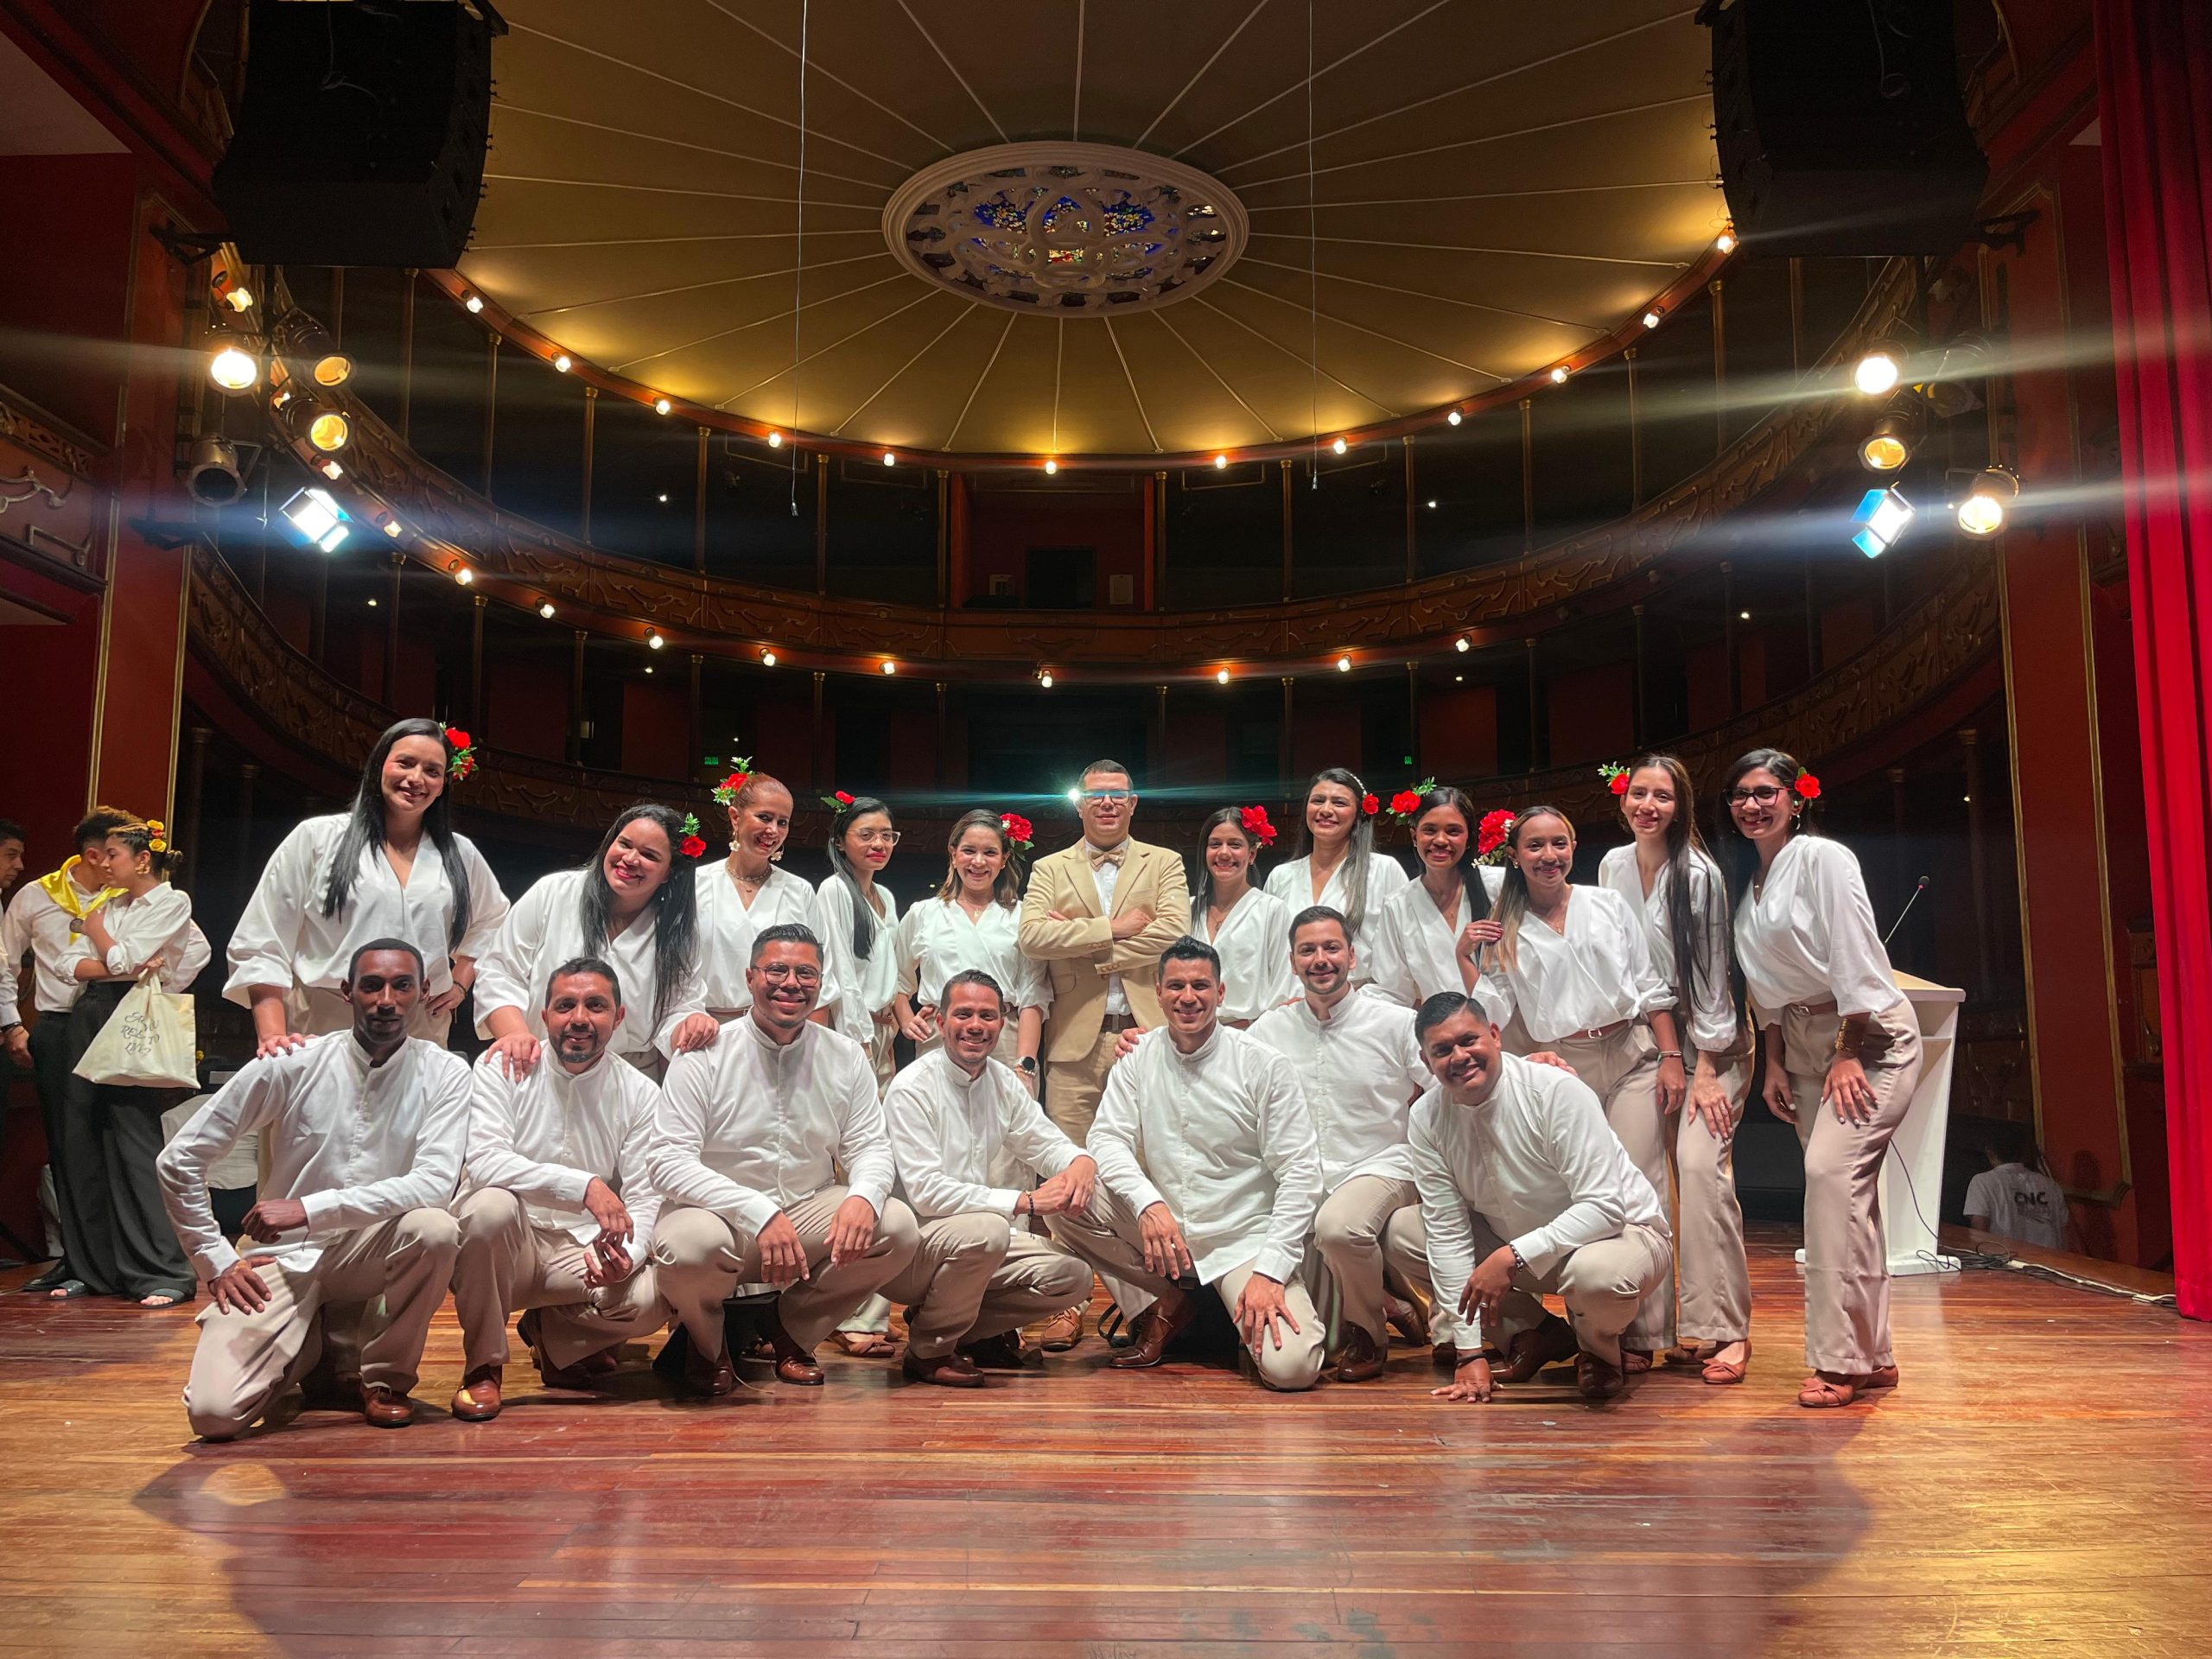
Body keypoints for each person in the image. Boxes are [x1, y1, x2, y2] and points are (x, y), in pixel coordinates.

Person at [156, 941, 468, 1437]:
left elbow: (432, 1184)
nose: (386, 999)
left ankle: (384, 1379)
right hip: (280, 1258)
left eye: (401, 985)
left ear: (423, 991)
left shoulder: (446, 1072)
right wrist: (214, 1260)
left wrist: (308, 1208)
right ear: (347, 992)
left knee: (435, 1229)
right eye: (372, 985)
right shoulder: (292, 1062)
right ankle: (310, 1348)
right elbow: (179, 1159)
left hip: (367, 1252)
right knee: (215, 1415)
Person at [1723, 747, 1923, 1409]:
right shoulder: (1752, 883)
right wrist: (1775, 1058)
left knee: (1829, 1179)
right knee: (1850, 1201)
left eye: (1765, 792)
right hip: (1802, 1046)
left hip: (1869, 1039)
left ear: (1794, 798)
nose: (1753, 804)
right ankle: (1875, 1353)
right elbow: (1768, 988)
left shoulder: (1823, 858)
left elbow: (1856, 956)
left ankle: (1840, 1360)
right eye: (1741, 795)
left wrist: (1845, 1052)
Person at [647, 923, 921, 1396]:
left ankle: (789, 1330)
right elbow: (668, 1161)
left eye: (806, 973)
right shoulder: (704, 1053)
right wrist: (758, 1212)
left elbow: (871, 1146)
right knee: (686, 1246)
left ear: (821, 982)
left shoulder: (844, 1056)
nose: (791, 983)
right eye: (776, 969)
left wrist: (864, 1196)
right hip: (720, 1218)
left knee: (895, 1225)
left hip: (804, 1215)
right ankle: (707, 1345)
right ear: (750, 977)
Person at [1049, 938, 1326, 1392]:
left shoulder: (1263, 1065)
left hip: (1241, 1240)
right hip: (1167, 1225)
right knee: (1067, 1195)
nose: (1188, 996)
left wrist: (1270, 1271)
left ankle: (1250, 1296)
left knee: (1292, 1369)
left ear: (1221, 992)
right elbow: (1107, 1137)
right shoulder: (1138, 1057)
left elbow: (1300, 1173)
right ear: (1157, 992)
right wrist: (1147, 1205)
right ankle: (1166, 1302)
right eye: (1175, 985)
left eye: (1201, 985)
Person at [1475, 804, 1683, 1372]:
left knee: (1642, 1185)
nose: (1549, 856)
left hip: (1631, 1052)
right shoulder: (1504, 926)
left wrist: (1670, 1056)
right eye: (1535, 846)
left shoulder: (1607, 903)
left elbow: (1648, 985)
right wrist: (1462, 958)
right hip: (1565, 1062)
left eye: (1559, 844)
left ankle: (1642, 1334)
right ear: (1514, 856)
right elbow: (1491, 1007)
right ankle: (1595, 1333)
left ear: (1573, 848)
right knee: (1583, 1195)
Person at [1410, 994, 1673, 1403]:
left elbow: (1605, 1207)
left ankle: (1598, 1353)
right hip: (1524, 1245)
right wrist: (1469, 1352)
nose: (1459, 1057)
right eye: (1442, 1050)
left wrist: (1512, 1255)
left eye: (1469, 1040)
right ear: (1427, 1063)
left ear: (1495, 1035)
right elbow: (1446, 1229)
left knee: (1594, 1276)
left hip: (1622, 1237)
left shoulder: (1555, 1090)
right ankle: (1537, 1335)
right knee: (1405, 1233)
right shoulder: (1426, 1117)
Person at [448, 957, 670, 1422]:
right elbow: (485, 1161)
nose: (580, 1019)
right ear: (544, 1014)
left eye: (596, 1006)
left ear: (619, 1017)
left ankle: (556, 1336)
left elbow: (647, 1194)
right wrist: (583, 1186)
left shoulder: (640, 1092)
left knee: (655, 1295)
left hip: (579, 1249)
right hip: (509, 1244)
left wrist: (628, 1255)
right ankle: (483, 1367)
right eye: (565, 1005)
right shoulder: (501, 1068)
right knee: (489, 1206)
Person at [1017, 760, 1189, 1344]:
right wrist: (1117, 925)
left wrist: (1091, 943)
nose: (1107, 804)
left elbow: (1173, 934)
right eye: (1096, 796)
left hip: (1147, 1035)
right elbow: (1033, 937)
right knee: (1068, 1178)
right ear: (1080, 804)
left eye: (1118, 796)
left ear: (1134, 803)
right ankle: (1067, 1302)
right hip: (1072, 1044)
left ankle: (1153, 1303)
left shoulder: (1163, 862)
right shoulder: (1048, 867)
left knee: (1142, 1173)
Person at [1595, 757, 1754, 1385]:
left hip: (1709, 1041)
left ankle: (1723, 1327)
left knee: (1699, 1167)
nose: (1648, 806)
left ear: (1680, 804)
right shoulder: (1611, 867)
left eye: (1662, 796)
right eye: (1640, 794)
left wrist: (1706, 1066)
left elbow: (1715, 977)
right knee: (1640, 1178)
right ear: (1624, 800)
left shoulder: (1700, 875)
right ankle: (1646, 1328)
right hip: (1646, 1041)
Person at [227, 718, 507, 1055]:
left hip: (420, 1026)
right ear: (379, 766)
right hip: (324, 1019)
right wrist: (272, 1034)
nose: (416, 778)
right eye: (405, 763)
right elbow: (263, 938)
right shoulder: (318, 838)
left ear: (443, 783)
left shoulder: (459, 853)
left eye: (432, 771)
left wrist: (460, 983)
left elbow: (494, 922)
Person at [877, 969, 1097, 1388]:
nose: (976, 1026)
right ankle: (929, 1350)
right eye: (963, 1014)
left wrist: (1080, 1160)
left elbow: (1045, 1142)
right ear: (940, 1023)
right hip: (912, 1251)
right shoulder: (911, 1088)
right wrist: (1026, 1202)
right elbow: (926, 1193)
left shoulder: (1002, 1081)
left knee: (1073, 1278)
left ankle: (961, 1330)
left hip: (977, 1240)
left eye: (987, 1016)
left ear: (1001, 1023)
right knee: (991, 1228)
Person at [1247, 906, 1435, 1382]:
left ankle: (1367, 1331)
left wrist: (1526, 1064)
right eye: (1307, 950)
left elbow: (1449, 1082)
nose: (1320, 959)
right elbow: (1216, 1060)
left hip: (1382, 1164)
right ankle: (1392, 1299)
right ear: (1292, 962)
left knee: (1338, 1227)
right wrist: (1147, 1043)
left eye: (1332, 947)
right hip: (1304, 1175)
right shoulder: (1272, 1029)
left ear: (1352, 955)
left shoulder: (1394, 1023)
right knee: (1317, 1341)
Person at [59, 816, 201, 1307]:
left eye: (113, 856)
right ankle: (94, 1269)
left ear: (143, 859)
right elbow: (68, 964)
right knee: (83, 1140)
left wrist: (99, 935)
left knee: (134, 1140)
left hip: (131, 1013)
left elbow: (132, 960)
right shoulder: (110, 903)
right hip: (91, 1011)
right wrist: (113, 951)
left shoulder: (171, 900)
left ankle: (163, 1270)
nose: (105, 864)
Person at [474, 803, 719, 1075]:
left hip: (629, 1075)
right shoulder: (554, 892)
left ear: (669, 873)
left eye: (649, 855)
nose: (631, 858)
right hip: (537, 1062)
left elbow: (678, 1008)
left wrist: (691, 1025)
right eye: (624, 844)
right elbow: (499, 972)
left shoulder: (676, 928)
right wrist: (515, 1035)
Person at [1, 806, 131, 1294]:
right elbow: (5, 965)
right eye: (119, 853)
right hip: (57, 1026)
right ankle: (76, 1261)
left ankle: (121, 1260)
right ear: (95, 855)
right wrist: (13, 1025)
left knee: (116, 1143)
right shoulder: (37, 897)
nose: (132, 862)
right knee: (67, 1144)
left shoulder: (133, 898)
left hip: (116, 1023)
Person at [893, 810, 1050, 1077]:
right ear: (953, 854)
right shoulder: (924, 913)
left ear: (1004, 859)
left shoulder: (1024, 916)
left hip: (1006, 1039)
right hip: (940, 1037)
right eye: (968, 851)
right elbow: (896, 978)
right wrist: (907, 1020)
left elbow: (1033, 995)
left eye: (989, 852)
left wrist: (1024, 1066)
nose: (978, 861)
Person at [1365, 787, 1506, 1012]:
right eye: (1429, 830)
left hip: (1509, 1032)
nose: (1440, 840)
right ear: (1414, 836)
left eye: (1453, 831)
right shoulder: (1398, 904)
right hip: (1443, 1036)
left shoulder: (1499, 887)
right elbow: (1391, 990)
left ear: (1469, 837)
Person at [1264, 768, 1408, 979]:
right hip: (1293, 1003)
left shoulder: (1384, 870)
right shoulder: (1281, 876)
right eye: (1318, 801)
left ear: (1359, 813)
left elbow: (1404, 946)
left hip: (1364, 1001)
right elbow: (1270, 951)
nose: (1325, 810)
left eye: (1339, 803)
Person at [695, 770, 816, 1020]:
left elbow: (818, 970)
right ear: (735, 817)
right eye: (764, 817)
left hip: (780, 1028)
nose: (773, 830)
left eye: (782, 822)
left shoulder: (800, 890)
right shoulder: (696, 884)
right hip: (707, 1027)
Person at [811, 794, 903, 1088]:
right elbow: (839, 971)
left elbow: (891, 967)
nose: (879, 844)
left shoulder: (885, 895)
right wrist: (858, 1037)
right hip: (852, 1029)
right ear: (840, 841)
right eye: (867, 835)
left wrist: (897, 1021)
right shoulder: (834, 890)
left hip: (884, 1026)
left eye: (887, 836)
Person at [1188, 805, 1294, 1028]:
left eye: (1235, 845)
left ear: (1252, 853)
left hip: (1250, 1036)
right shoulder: (1186, 908)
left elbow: (1284, 990)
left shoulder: (1271, 910)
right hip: (1188, 1035)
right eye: (1215, 844)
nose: (1224, 853)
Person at [1963, 1122, 2074, 1251]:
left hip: (2005, 1264)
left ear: (1989, 1152)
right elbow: (2065, 1235)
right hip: (2049, 1265)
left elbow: (1979, 1235)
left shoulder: (1983, 1182)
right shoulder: (2050, 1186)